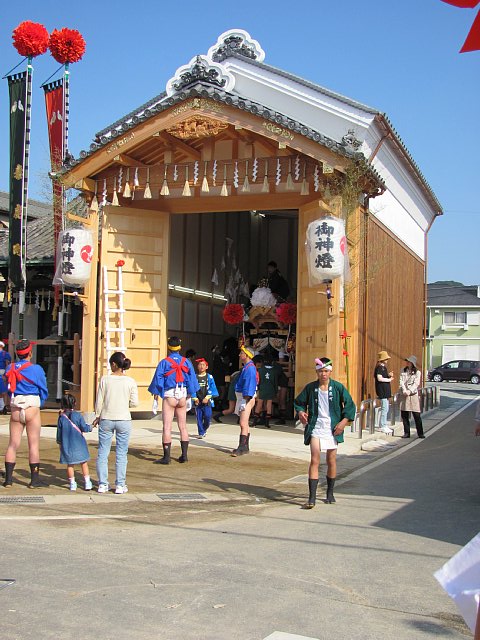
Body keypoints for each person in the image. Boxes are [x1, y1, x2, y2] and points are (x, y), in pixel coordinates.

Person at [294, 357, 356, 508]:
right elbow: (299, 402)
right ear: (317, 372)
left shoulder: (337, 387)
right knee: (315, 459)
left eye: (326, 371)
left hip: (332, 427)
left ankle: (330, 492)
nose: (323, 374)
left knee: (331, 460)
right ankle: (312, 497)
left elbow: (350, 405)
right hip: (316, 426)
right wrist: (301, 412)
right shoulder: (311, 388)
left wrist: (343, 423)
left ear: (330, 372)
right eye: (321, 371)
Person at [3, 339, 48, 488]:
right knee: (33, 444)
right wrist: (41, 402)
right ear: (30, 353)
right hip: (32, 407)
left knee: (12, 444)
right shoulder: (37, 369)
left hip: (16, 406)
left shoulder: (11, 367)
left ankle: (8, 480)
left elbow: (8, 386)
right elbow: (43, 389)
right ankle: (34, 481)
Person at [148, 336, 199, 464]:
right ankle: (184, 455)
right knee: (183, 427)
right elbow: (192, 379)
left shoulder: (164, 362)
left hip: (170, 394)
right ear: (180, 347)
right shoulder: (187, 362)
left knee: (167, 427)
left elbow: (158, 380)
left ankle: (166, 457)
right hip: (182, 394)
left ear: (169, 347)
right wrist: (191, 394)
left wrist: (156, 394)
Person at [94, 351, 138, 494]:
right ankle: (120, 484)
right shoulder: (130, 381)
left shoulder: (105, 380)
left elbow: (99, 401)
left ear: (114, 364)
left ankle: (102, 484)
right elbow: (135, 403)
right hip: (124, 419)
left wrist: (97, 415)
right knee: (121, 453)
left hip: (106, 418)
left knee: (103, 452)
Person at [57, 394, 94, 491]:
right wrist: (92, 426)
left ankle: (72, 483)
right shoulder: (78, 415)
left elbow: (59, 434)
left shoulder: (61, 417)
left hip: (67, 445)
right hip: (79, 444)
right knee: (84, 463)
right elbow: (84, 428)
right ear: (75, 403)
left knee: (70, 465)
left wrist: (60, 444)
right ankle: (87, 482)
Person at [231, 345, 259, 457]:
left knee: (243, 423)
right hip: (244, 397)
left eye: (241, 353)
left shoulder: (250, 368)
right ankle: (245, 446)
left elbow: (249, 385)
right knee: (244, 423)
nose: (239, 354)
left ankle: (241, 447)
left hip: (246, 397)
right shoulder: (247, 367)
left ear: (247, 355)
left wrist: (245, 399)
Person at [399, 355, 425, 439]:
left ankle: (420, 433)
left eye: (409, 362)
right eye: (407, 361)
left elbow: (416, 383)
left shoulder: (417, 372)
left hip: (413, 394)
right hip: (404, 394)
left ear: (412, 363)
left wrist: (410, 390)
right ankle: (406, 432)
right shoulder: (403, 370)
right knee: (404, 414)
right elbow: (401, 381)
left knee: (416, 414)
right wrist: (404, 390)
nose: (407, 363)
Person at [194, 358, 219, 438]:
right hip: (198, 401)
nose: (201, 366)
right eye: (200, 365)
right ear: (197, 366)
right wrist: (194, 398)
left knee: (208, 416)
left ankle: (204, 428)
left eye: (203, 365)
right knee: (199, 418)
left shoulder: (209, 377)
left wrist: (207, 397)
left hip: (207, 401)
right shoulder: (195, 377)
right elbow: (192, 388)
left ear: (206, 367)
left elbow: (212, 388)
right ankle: (201, 432)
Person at [253, 355, 279, 429]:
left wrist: (257, 388)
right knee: (269, 405)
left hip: (262, 389)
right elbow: (275, 382)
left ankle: (254, 422)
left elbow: (258, 381)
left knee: (259, 404)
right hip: (271, 389)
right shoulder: (274, 371)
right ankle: (267, 423)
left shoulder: (261, 370)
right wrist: (276, 391)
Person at [374, 350, 394, 435]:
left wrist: (388, 375)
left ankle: (384, 424)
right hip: (382, 390)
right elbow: (379, 378)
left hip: (385, 391)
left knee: (386, 408)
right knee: (384, 408)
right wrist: (389, 379)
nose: (387, 360)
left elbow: (383, 376)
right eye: (386, 359)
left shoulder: (383, 367)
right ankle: (382, 425)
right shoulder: (379, 367)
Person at [0, 341, 12, 414]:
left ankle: (3, 406)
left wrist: (5, 374)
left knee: (3, 391)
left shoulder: (5, 354)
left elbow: (8, 364)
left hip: (2, 373)